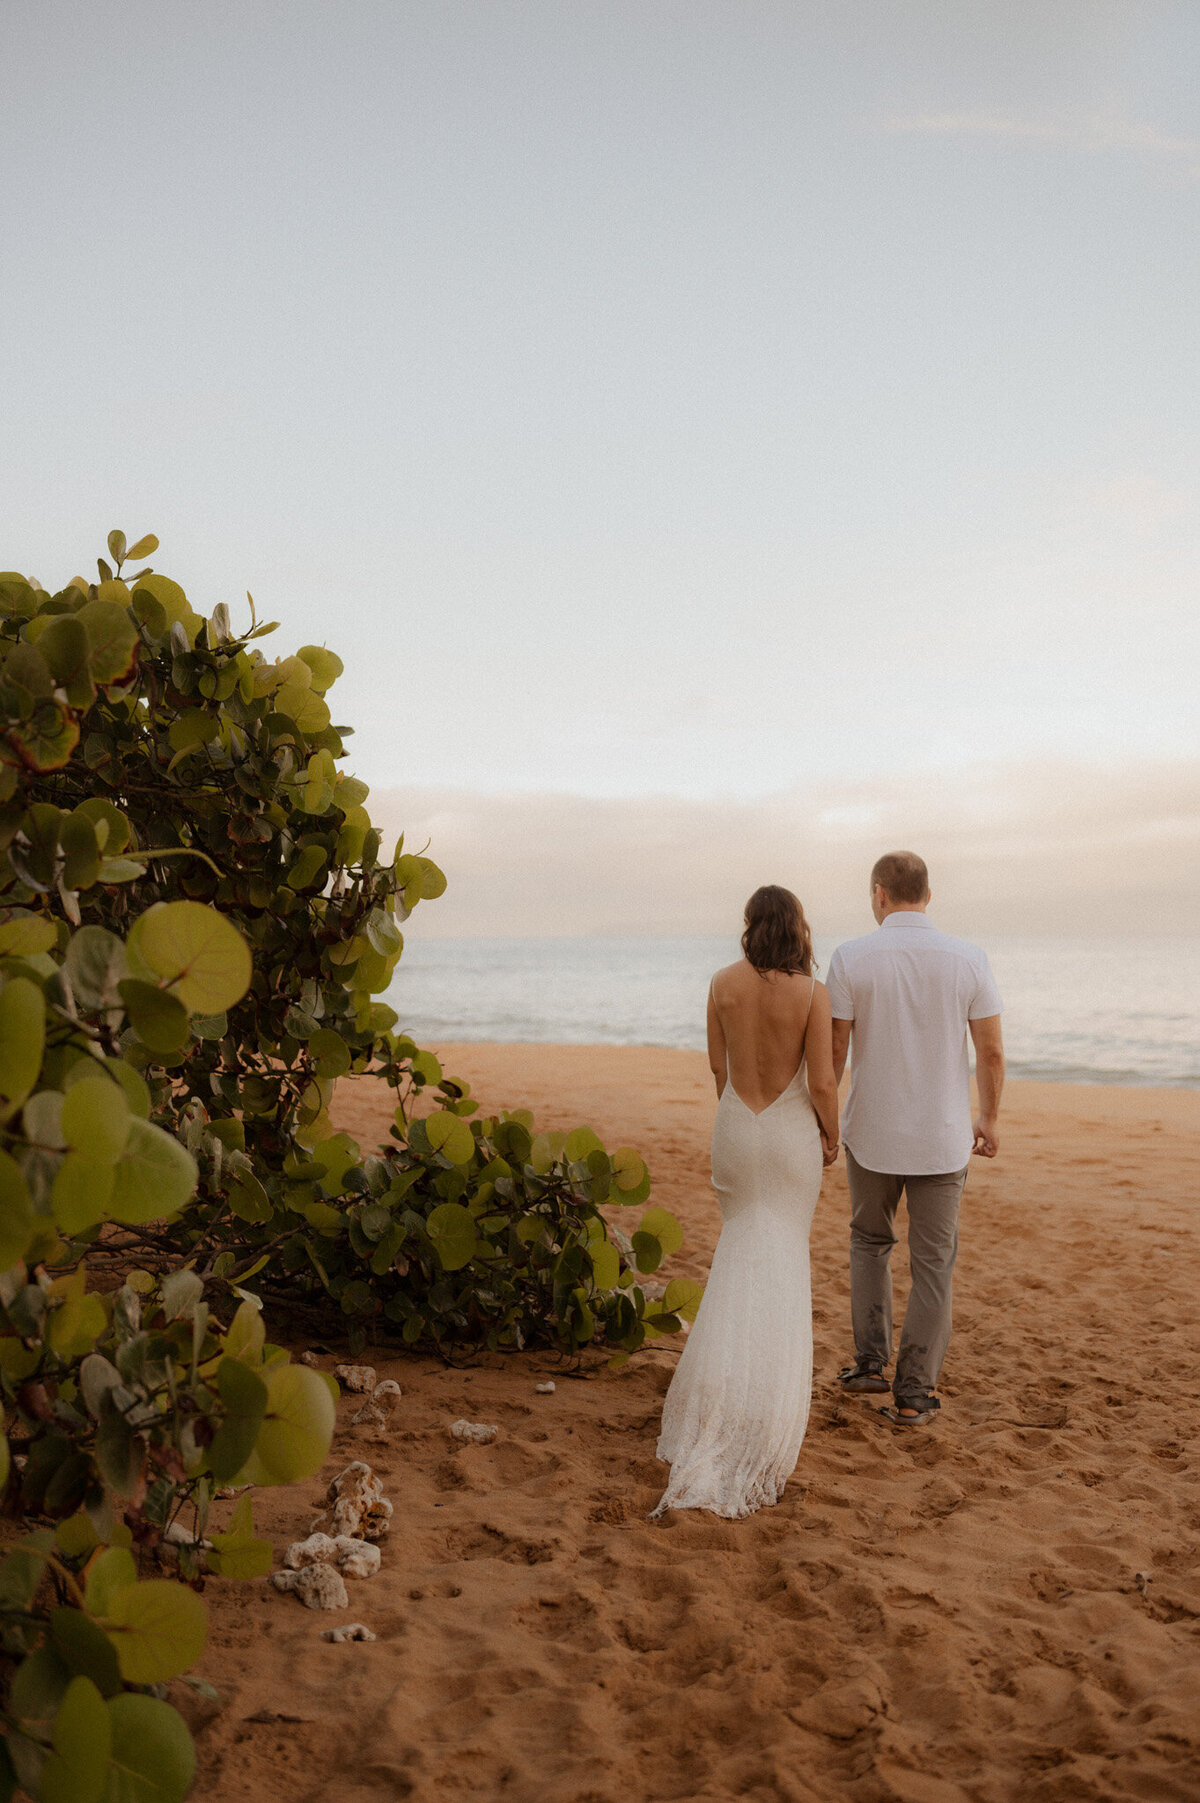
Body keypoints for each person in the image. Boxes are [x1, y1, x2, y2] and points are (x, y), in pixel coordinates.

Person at [652, 885, 840, 1519]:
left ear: (750, 926)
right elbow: (821, 1080)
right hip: (789, 1138)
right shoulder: (814, 993)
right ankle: (762, 1411)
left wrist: (740, 1121)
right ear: (799, 930)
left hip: (736, 1127)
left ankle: (717, 1405)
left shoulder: (719, 984)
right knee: (783, 1257)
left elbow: (717, 1070)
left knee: (738, 1253)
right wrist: (832, 1135)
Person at [827, 851, 1005, 1427]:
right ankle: (915, 1393)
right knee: (933, 1264)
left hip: (872, 1132)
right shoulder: (968, 958)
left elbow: (832, 1056)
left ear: (881, 893)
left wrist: (826, 1125)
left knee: (869, 1243)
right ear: (927, 893)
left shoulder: (851, 957)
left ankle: (870, 1363)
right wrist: (990, 1119)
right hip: (942, 1137)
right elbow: (992, 1053)